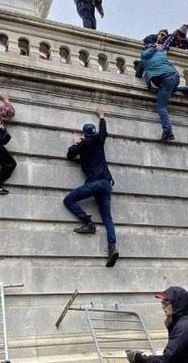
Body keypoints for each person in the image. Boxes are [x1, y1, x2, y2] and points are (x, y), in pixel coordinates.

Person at [63, 108, 119, 267]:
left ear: (85, 134)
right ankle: (112, 248)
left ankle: (88, 222)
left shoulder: (84, 143)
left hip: (94, 183)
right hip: (107, 184)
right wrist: (102, 116)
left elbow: (69, 155)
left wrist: (76, 142)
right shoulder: (99, 139)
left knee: (69, 199)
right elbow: (103, 131)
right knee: (107, 218)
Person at [125, 286, 188, 363]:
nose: (163, 306)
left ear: (177, 305)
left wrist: (140, 359)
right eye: (162, 303)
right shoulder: (183, 324)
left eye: (166, 303)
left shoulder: (182, 328)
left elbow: (167, 360)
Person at [135, 37, 188, 141]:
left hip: (164, 79)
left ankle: (167, 131)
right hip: (174, 75)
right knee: (171, 90)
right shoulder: (161, 54)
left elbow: (138, 75)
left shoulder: (144, 58)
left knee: (161, 106)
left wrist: (142, 69)